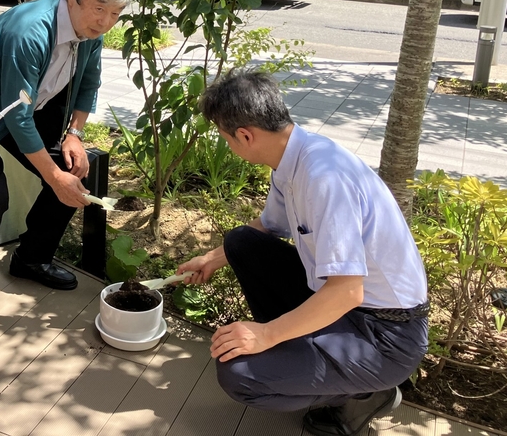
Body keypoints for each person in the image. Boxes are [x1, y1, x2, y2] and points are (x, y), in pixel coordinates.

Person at [176, 69, 429, 436]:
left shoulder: (323, 177)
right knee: (241, 242)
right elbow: (268, 227)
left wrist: (265, 335)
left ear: (245, 136)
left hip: (385, 334)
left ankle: (362, 394)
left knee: (240, 375)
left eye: (225, 137)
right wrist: (211, 259)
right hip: (347, 307)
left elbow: (347, 291)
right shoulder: (292, 159)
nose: (227, 144)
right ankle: (309, 357)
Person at [0, 0, 137, 315]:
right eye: (100, 8)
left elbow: (89, 83)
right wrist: (54, 177)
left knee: (78, 170)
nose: (106, 22)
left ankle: (32, 258)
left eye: (116, 13)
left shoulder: (88, 31)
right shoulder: (31, 30)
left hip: (28, 113)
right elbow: (15, 116)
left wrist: (75, 134)